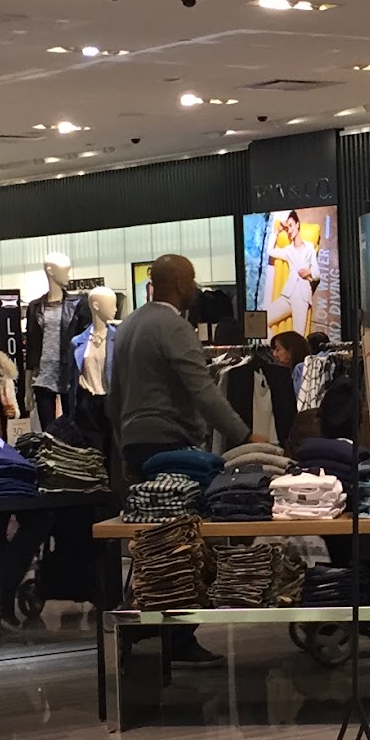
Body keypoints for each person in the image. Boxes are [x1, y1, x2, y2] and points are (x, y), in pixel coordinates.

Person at [107, 253, 265, 662]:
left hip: (135, 443)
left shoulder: (127, 327)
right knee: (189, 539)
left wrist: (123, 446)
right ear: (179, 284)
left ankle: (140, 620)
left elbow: (114, 394)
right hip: (170, 444)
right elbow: (203, 391)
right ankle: (177, 635)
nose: (195, 288)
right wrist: (244, 435)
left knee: (153, 539)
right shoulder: (174, 327)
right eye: (192, 280)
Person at [265, 210, 318, 337]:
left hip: (302, 296)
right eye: (287, 227)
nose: (289, 230)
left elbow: (317, 273)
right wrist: (276, 232)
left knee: (298, 336)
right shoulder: (288, 250)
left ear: (297, 224)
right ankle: (273, 347)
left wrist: (309, 272)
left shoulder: (309, 248)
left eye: (291, 225)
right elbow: (269, 251)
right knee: (261, 321)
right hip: (287, 294)